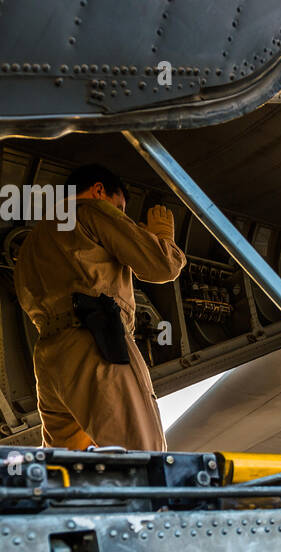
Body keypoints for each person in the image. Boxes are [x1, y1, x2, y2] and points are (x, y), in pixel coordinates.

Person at [14, 164, 185, 451]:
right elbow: (161, 266)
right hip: (96, 341)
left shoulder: (33, 241)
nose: (121, 216)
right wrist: (162, 238)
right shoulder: (91, 209)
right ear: (99, 191)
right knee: (140, 454)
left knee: (67, 465)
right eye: (120, 207)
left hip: (49, 357)